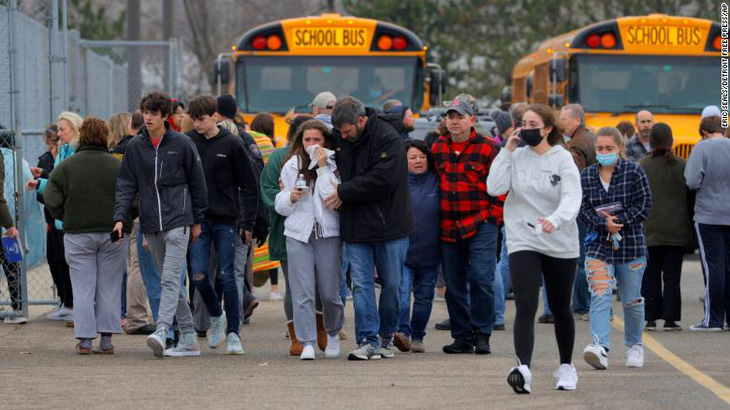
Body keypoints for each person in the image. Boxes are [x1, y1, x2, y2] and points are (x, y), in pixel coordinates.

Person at [488, 103, 582, 393]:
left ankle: (566, 367)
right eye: (523, 124)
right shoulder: (514, 156)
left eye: (532, 125)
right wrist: (507, 149)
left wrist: (556, 219)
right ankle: (523, 369)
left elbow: (571, 197)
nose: (526, 129)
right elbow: (494, 187)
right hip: (523, 238)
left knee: (560, 307)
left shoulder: (562, 159)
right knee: (526, 305)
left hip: (560, 240)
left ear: (548, 128)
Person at [113, 90, 208, 358]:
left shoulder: (182, 144)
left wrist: (197, 220)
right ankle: (189, 337)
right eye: (146, 112)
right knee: (171, 282)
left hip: (179, 220)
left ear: (165, 116)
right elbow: (126, 186)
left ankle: (163, 329)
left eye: (154, 113)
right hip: (150, 224)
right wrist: (120, 218)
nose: (149, 117)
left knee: (169, 278)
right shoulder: (135, 146)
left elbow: (198, 184)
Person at [328, 97, 414, 360]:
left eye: (347, 131)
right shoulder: (339, 137)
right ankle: (367, 338)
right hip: (356, 224)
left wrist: (344, 191)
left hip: (390, 224)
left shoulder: (388, 138)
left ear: (362, 121)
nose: (343, 136)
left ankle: (387, 335)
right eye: (340, 132)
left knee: (391, 284)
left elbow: (383, 179)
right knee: (363, 285)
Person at [43, 117, 132, 354]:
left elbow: (51, 198)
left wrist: (67, 215)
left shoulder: (67, 166)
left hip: (77, 232)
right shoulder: (118, 165)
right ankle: (106, 339)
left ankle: (84, 339)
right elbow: (133, 198)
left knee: (82, 287)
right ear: (105, 137)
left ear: (82, 136)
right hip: (113, 233)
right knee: (109, 286)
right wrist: (124, 220)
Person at [185, 95, 258, 355]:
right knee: (199, 274)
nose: (197, 124)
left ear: (215, 116)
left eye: (202, 119)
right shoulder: (189, 142)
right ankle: (216, 314)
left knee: (228, 275)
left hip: (227, 219)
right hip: (198, 220)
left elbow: (249, 185)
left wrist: (247, 222)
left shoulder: (232, 144)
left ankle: (234, 334)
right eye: (193, 119)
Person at [431, 97, 502, 355]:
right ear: (445, 121)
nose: (455, 121)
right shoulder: (437, 148)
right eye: (450, 117)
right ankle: (461, 336)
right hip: (448, 226)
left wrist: (494, 217)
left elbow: (501, 185)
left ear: (472, 120)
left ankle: (482, 334)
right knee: (453, 284)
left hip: (481, 223)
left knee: (482, 279)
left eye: (460, 117)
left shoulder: (487, 148)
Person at [580, 126, 652, 370]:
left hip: (630, 244)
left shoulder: (635, 171)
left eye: (609, 148)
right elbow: (582, 209)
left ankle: (635, 345)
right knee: (599, 294)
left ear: (620, 148)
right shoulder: (587, 175)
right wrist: (603, 224)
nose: (604, 152)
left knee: (632, 300)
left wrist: (620, 222)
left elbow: (645, 205)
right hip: (598, 243)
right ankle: (600, 346)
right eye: (600, 148)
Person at [275, 119, 344, 360]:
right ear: (300, 141)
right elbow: (280, 205)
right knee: (302, 291)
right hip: (298, 234)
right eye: (307, 140)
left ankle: (333, 331)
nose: (312, 144)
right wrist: (290, 198)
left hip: (328, 233)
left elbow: (331, 198)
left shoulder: (335, 165)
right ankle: (307, 342)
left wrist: (323, 166)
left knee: (329, 292)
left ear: (325, 141)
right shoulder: (292, 165)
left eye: (317, 140)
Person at [261, 114, 321, 355]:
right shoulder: (279, 157)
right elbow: (268, 189)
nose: (312, 143)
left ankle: (319, 328)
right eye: (308, 137)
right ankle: (296, 335)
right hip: (288, 229)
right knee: (296, 285)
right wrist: (286, 201)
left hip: (320, 230)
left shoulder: (325, 157)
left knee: (320, 285)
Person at [29, 112, 84, 322]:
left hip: (75, 219)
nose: (58, 133)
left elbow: (68, 185)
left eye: (62, 129)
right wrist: (41, 182)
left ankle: (78, 308)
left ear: (75, 129)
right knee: (61, 261)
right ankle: (69, 304)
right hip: (61, 219)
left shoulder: (77, 153)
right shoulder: (63, 152)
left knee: (75, 267)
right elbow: (56, 183)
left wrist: (44, 182)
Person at [639, 123, 693, 331]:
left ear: (651, 141)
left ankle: (650, 318)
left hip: (649, 230)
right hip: (676, 230)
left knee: (650, 274)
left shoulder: (642, 165)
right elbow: (690, 197)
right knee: (672, 276)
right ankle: (670, 318)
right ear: (671, 141)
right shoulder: (682, 165)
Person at [393, 140, 440, 354]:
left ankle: (418, 336)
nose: (418, 161)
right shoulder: (397, 182)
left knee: (424, 297)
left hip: (431, 252)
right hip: (403, 251)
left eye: (422, 156)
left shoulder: (437, 180)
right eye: (412, 157)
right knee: (401, 295)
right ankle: (402, 333)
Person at [685, 116, 730, 331]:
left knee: (714, 267)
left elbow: (692, 181)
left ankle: (713, 319)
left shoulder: (702, 148)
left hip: (708, 216)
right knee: (729, 267)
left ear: (703, 132)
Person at [559, 104, 596, 320]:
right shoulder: (588, 138)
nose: (560, 122)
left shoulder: (576, 145)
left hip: (582, 208)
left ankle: (583, 304)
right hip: (591, 205)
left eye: (564, 119)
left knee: (582, 258)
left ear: (577, 121)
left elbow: (574, 179)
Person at [35, 125, 74, 322]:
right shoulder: (48, 159)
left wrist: (43, 181)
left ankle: (71, 303)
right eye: (52, 141)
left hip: (64, 219)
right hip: (54, 219)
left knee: (65, 262)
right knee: (55, 261)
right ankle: (65, 301)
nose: (53, 146)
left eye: (56, 142)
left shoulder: (66, 158)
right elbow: (47, 190)